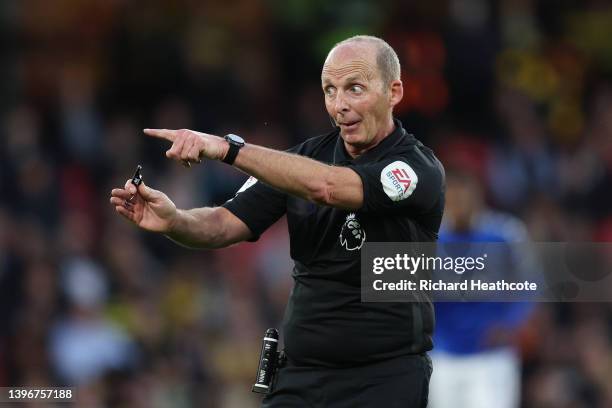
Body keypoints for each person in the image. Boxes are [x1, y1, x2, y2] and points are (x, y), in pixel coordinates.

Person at [110, 35, 445, 407]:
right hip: (301, 377)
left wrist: (228, 149)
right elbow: (221, 224)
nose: (340, 105)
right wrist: (174, 220)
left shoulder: (415, 168)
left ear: (394, 91)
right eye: (329, 91)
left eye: (355, 89)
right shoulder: (299, 161)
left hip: (384, 379)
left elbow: (327, 187)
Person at [429, 169, 533, 408]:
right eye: (453, 197)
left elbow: (530, 284)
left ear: (478, 196)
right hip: (443, 356)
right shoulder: (429, 239)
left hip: (492, 357)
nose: (459, 203)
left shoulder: (505, 233)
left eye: (464, 195)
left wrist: (510, 323)